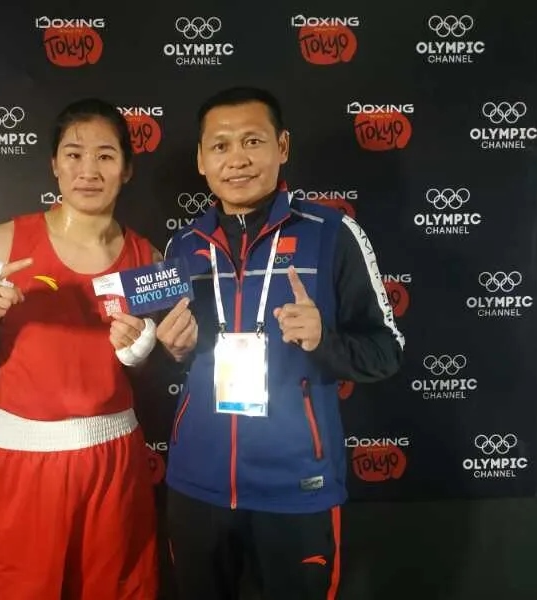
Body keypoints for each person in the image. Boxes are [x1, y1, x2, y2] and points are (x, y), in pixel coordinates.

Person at [156, 86, 406, 600]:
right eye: (220, 146)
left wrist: (323, 341)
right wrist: (174, 351)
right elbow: (176, 357)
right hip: (196, 485)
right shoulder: (183, 245)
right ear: (201, 159)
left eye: (253, 141)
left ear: (282, 146)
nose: (237, 159)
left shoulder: (333, 234)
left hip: (296, 488)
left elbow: (387, 350)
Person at [0, 98, 162, 600]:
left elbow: (147, 366)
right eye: (74, 154)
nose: (89, 170)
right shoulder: (4, 243)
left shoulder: (146, 257)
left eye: (105, 156)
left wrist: (139, 351)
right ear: (55, 164)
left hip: (116, 459)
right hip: (26, 461)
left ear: (126, 169)